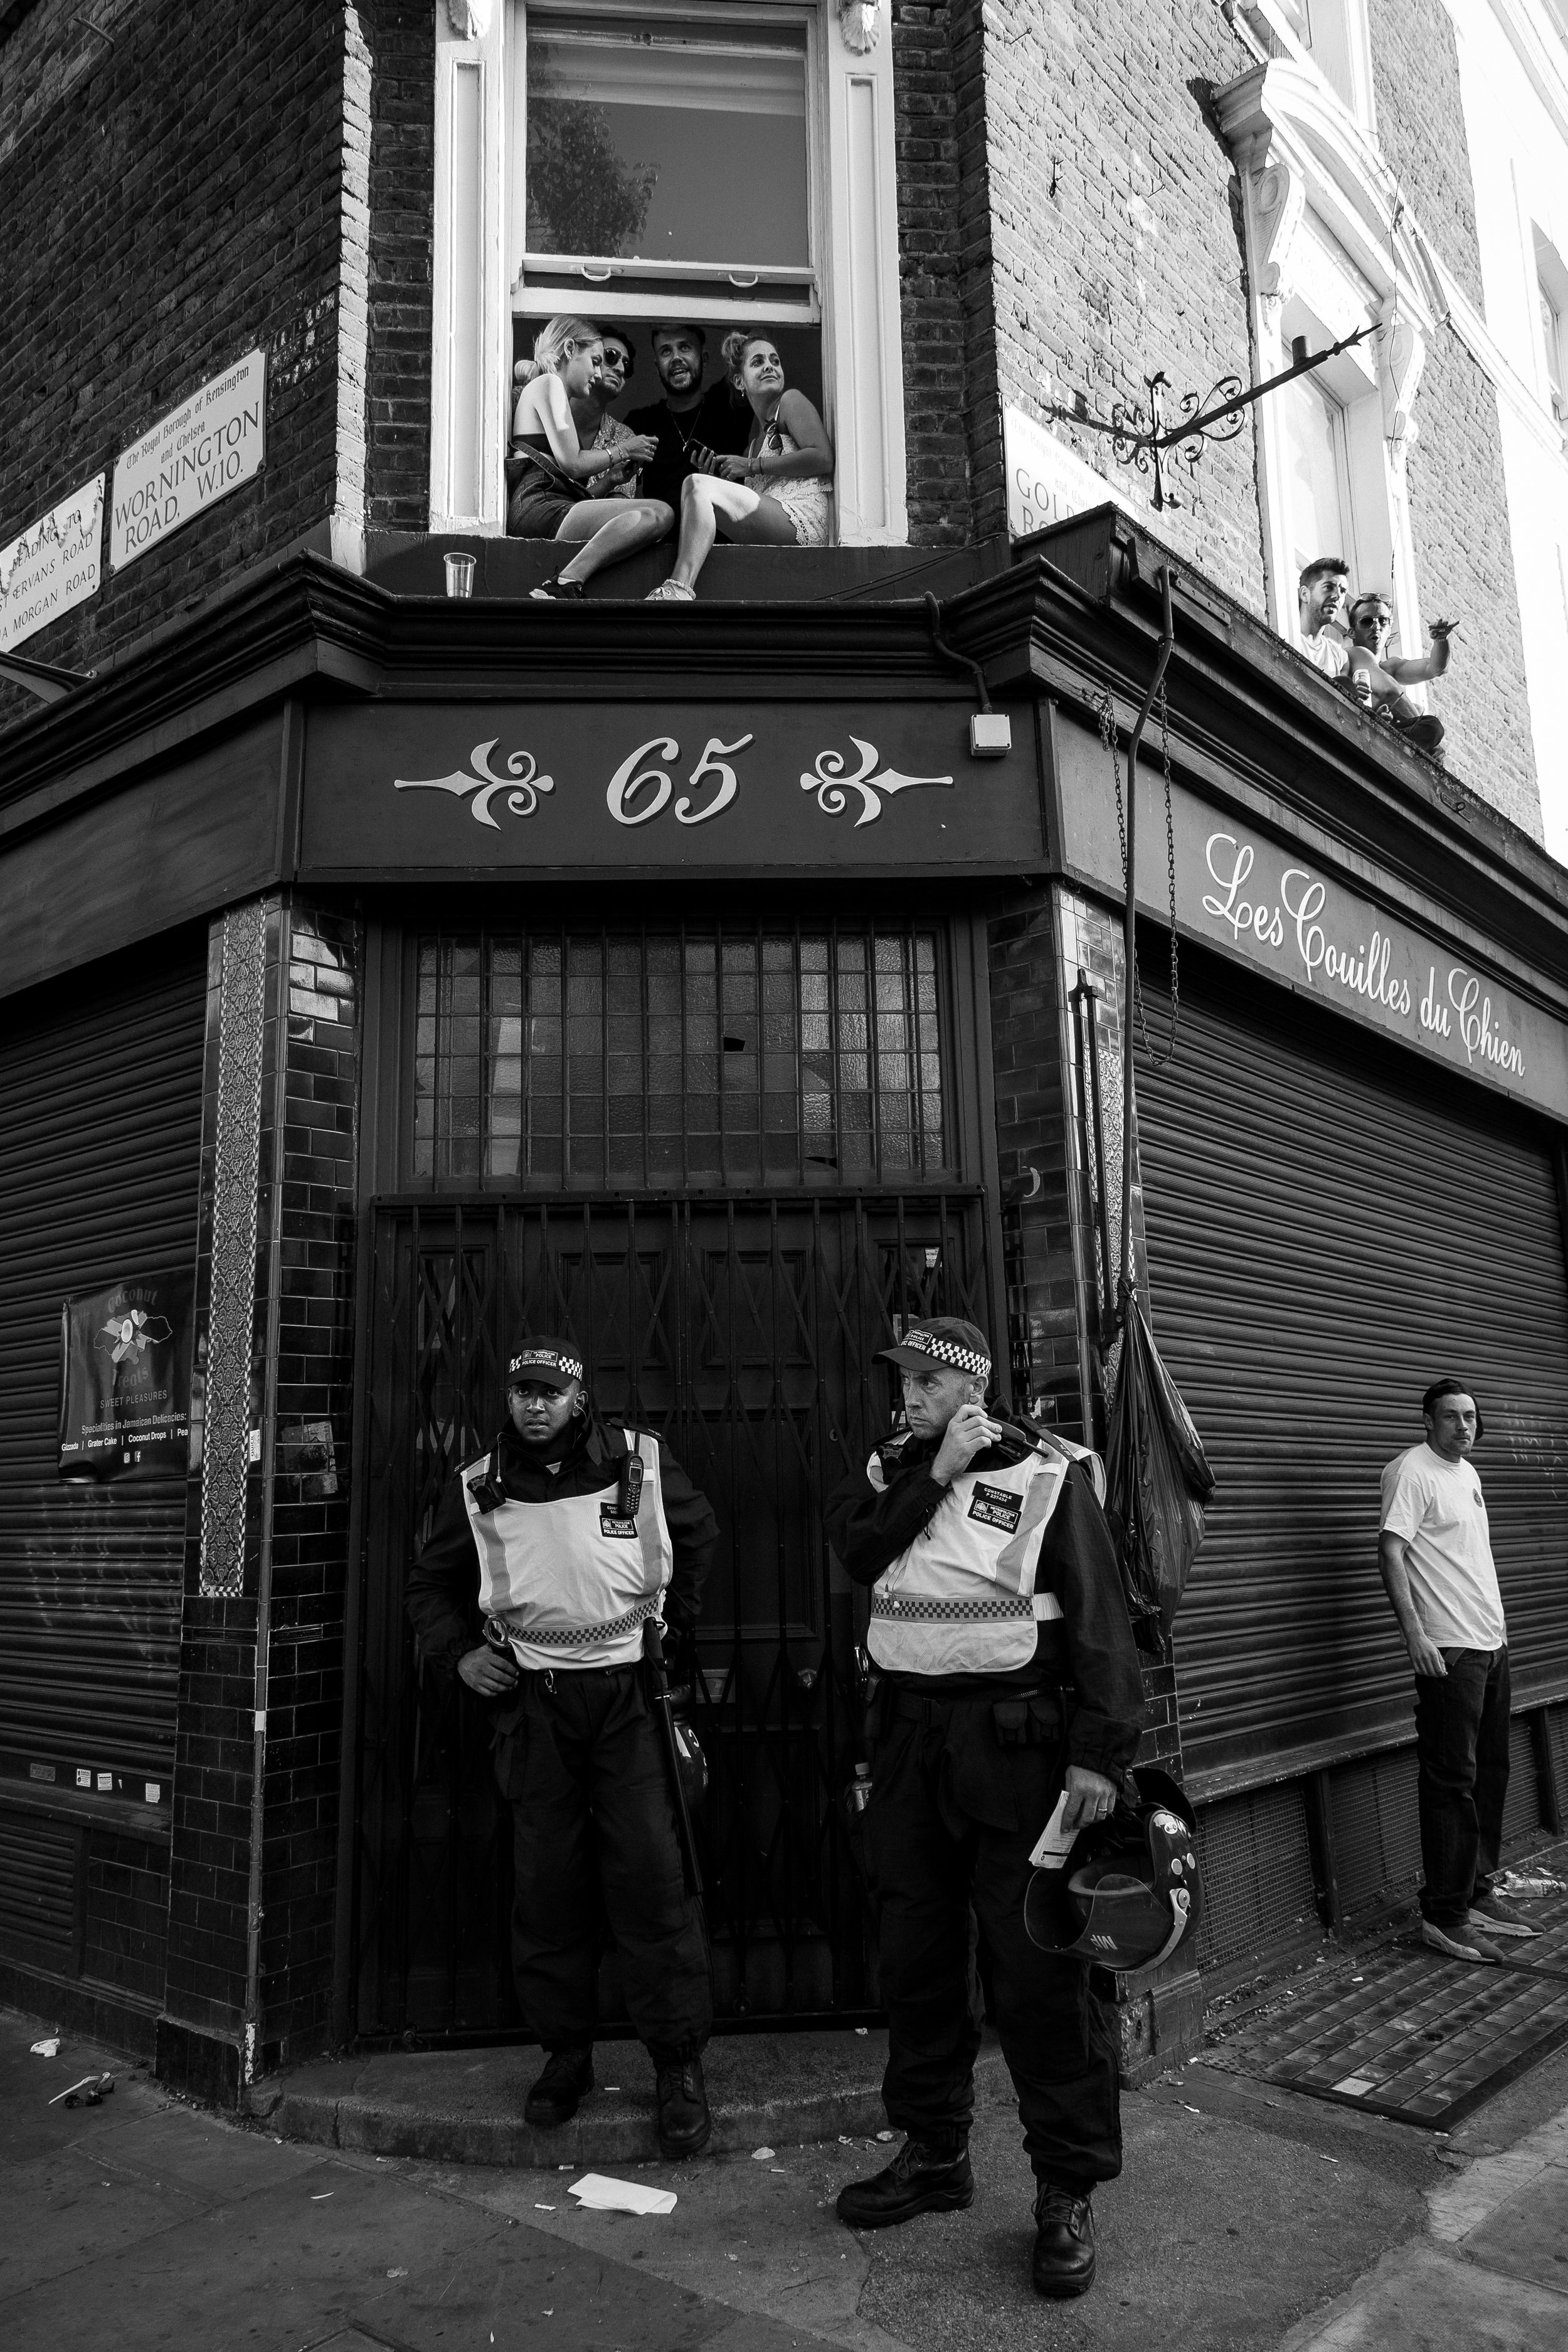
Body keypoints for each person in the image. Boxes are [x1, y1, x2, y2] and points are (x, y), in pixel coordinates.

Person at [826, 1318, 1145, 2301]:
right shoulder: (888, 1471)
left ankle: (1066, 2189)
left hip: (1020, 1752)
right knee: (918, 1960)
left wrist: (1098, 1755)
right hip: (911, 1746)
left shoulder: (1050, 1474)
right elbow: (857, 1552)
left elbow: (1103, 1623)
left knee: (1039, 1975)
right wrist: (934, 1470)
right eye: (904, 1381)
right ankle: (935, 2152)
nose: (909, 1395)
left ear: (973, 1386)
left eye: (928, 1381)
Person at [405, 1335, 721, 2155]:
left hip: (629, 1702)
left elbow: (699, 1535)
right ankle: (566, 2057)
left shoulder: (640, 1461)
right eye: (524, 1392)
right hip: (536, 1705)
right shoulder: (479, 1483)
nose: (535, 1404)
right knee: (548, 1888)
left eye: (551, 1392)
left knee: (652, 1880)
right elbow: (429, 1583)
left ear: (580, 1398)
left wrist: (675, 1629)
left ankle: (678, 2064)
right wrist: (457, 1655)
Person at [1379, 1377, 1540, 1963]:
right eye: (1451, 1416)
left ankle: (1475, 1891)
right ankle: (1444, 1914)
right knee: (1451, 1782)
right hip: (1448, 1650)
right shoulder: (1412, 1472)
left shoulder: (1466, 1473)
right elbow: (1390, 1551)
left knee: (1489, 1771)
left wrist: (1499, 1630)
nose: (1464, 1426)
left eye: (1470, 1416)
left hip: (1488, 1644)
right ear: (1428, 1420)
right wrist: (1415, 1636)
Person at [647, 330, 834, 603]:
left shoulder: (790, 401)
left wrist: (752, 466)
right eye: (758, 362)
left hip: (803, 521)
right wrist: (715, 479)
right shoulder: (752, 445)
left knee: (696, 485)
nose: (769, 366)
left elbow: (822, 457)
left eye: (775, 361)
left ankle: (678, 588)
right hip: (774, 534)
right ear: (739, 381)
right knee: (699, 486)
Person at [506, 315, 672, 599]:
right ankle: (567, 580)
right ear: (570, 349)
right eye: (596, 361)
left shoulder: (548, 390)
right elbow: (572, 464)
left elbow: (565, 487)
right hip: (538, 505)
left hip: (545, 504)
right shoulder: (549, 383)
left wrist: (609, 482)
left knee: (654, 514)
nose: (597, 374)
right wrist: (624, 450)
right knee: (662, 513)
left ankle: (566, 581)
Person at [623, 322, 753, 514]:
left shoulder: (728, 403)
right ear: (657, 367)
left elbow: (751, 335)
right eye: (666, 351)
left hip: (724, 530)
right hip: (661, 530)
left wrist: (684, 314)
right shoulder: (641, 422)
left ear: (704, 359)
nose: (676, 357)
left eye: (685, 347)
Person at [1346, 591, 1454, 754]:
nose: (1376, 627)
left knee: (1428, 725)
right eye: (1367, 621)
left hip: (1382, 740)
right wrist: (1429, 741)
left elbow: (1436, 668)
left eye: (1383, 621)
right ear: (1352, 632)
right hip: (1359, 734)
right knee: (1432, 727)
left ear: (1390, 629)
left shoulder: (1391, 667)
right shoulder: (1352, 654)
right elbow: (1390, 692)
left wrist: (1441, 640)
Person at [1296, 558, 1402, 709]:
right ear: (1304, 594)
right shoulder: (1289, 635)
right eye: (1329, 587)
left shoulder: (1339, 656)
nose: (1337, 596)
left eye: (1343, 591)